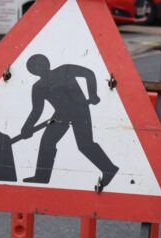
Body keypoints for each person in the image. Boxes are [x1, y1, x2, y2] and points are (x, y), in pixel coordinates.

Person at [20, 53, 119, 187]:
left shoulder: (64, 70)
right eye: (34, 67)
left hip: (80, 110)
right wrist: (27, 127)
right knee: (47, 142)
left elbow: (89, 73)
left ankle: (109, 169)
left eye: (39, 65)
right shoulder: (37, 87)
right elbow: (36, 110)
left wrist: (93, 94)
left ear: (47, 63)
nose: (38, 68)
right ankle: (41, 176)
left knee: (85, 145)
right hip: (60, 115)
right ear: (32, 71)